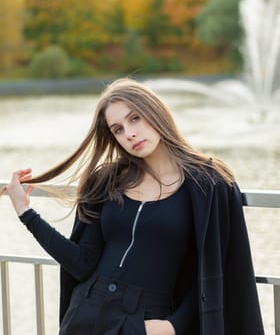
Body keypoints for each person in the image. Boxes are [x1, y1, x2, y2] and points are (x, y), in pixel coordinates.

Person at [3, 78, 264, 335]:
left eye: (135, 118)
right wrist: (27, 213)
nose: (130, 134)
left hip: (148, 321)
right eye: (118, 129)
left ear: (155, 111)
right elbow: (82, 262)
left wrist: (173, 325)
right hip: (86, 314)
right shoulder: (107, 181)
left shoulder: (209, 184)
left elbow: (217, 272)